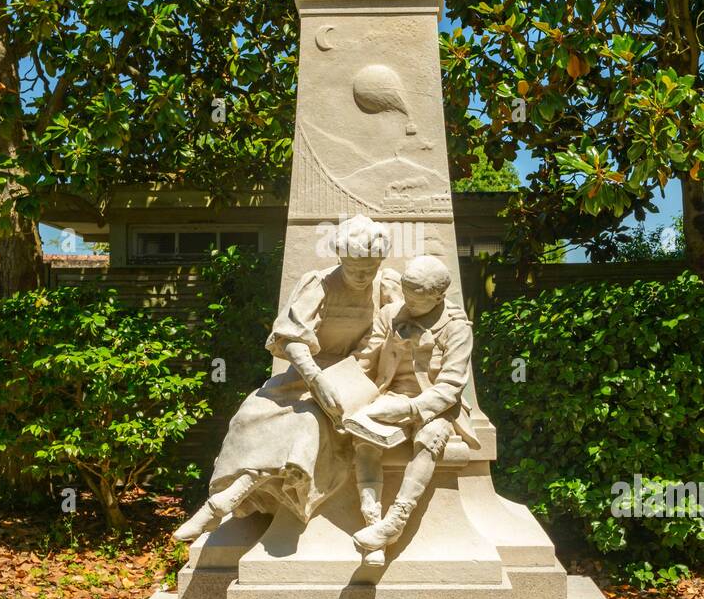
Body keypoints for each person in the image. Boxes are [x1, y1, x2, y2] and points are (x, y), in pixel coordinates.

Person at [173, 216, 392, 543]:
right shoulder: (319, 284)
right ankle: (227, 497)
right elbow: (290, 338)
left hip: (356, 378)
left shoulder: (387, 286)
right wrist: (316, 378)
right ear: (340, 259)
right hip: (308, 373)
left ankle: (224, 502)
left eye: (369, 268)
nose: (362, 277)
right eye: (354, 268)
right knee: (251, 413)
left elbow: (397, 336)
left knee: (308, 421)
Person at [351, 254, 480, 565]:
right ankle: (373, 526)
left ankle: (396, 521)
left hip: (434, 407)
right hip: (389, 396)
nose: (406, 302)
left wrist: (409, 408)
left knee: (430, 440)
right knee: (363, 439)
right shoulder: (390, 313)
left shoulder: (458, 329)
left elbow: (449, 388)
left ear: (438, 296)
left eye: (415, 298)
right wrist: (341, 384)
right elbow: (366, 357)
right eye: (405, 294)